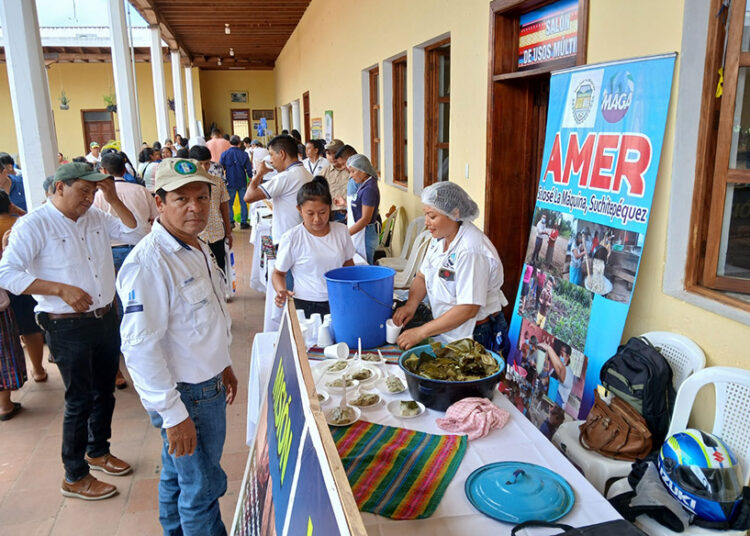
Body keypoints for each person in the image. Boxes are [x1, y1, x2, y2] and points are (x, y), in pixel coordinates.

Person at [0, 162, 146, 500]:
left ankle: (98, 451)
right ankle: (75, 475)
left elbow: (136, 233)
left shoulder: (96, 217)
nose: (89, 198)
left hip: (104, 317)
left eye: (93, 191)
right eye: (83, 190)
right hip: (66, 325)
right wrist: (59, 289)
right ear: (59, 188)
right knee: (79, 399)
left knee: (104, 391)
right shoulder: (33, 225)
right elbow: (7, 273)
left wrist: (113, 198)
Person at [117, 158, 237, 536]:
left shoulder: (194, 245)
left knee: (177, 475)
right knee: (202, 488)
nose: (195, 207)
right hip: (187, 395)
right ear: (159, 202)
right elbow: (139, 347)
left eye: (201, 198)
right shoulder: (150, 263)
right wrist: (173, 414)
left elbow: (206, 317)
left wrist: (223, 363)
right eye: (181, 199)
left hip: (206, 381)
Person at [393, 182, 510, 355]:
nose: (426, 223)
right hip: (449, 330)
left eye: (432, 216)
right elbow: (422, 277)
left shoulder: (470, 250)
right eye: (425, 215)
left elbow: (468, 308)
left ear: (455, 214)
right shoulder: (439, 238)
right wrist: (411, 305)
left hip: (476, 333)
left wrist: (421, 332)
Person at [273, 177, 355, 317]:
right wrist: (281, 290)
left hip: (339, 299)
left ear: (330, 208)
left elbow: (348, 264)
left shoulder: (341, 231)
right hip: (306, 304)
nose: (317, 219)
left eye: (322, 212)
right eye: (310, 213)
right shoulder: (292, 237)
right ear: (299, 210)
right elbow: (278, 273)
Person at [244, 134, 313, 245]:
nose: (271, 160)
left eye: (271, 155)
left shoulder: (285, 177)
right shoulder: (306, 174)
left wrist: (259, 173)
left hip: (287, 239)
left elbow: (248, 197)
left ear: (282, 154)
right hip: (301, 236)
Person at [190, 145, 232, 273]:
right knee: (199, 271)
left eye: (207, 163)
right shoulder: (186, 186)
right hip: (195, 236)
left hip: (216, 233)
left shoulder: (217, 182)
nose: (204, 167)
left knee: (219, 269)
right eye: (200, 164)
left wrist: (228, 233)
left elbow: (224, 208)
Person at [346, 154, 380, 264]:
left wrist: (345, 234)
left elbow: (365, 219)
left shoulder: (369, 189)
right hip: (360, 232)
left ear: (363, 170)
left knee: (365, 265)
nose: (351, 176)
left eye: (353, 171)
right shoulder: (364, 185)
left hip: (365, 235)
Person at [220, 135, 253, 229]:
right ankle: (243, 222)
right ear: (239, 143)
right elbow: (249, 169)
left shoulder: (224, 154)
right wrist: (250, 179)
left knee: (229, 203)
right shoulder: (244, 154)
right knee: (243, 202)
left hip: (230, 181)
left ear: (230, 143)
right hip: (242, 181)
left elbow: (220, 168)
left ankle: (231, 221)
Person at [538, 341, 574, 408]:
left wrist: (549, 348)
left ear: (568, 356)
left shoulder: (569, 372)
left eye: (562, 354)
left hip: (557, 405)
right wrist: (543, 380)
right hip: (548, 397)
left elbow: (560, 371)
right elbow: (549, 379)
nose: (560, 356)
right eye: (559, 354)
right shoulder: (554, 369)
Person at [322, 139, 349, 223]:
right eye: (328, 154)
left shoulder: (351, 171)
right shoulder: (324, 172)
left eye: (335, 153)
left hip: (347, 213)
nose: (332, 157)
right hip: (330, 215)